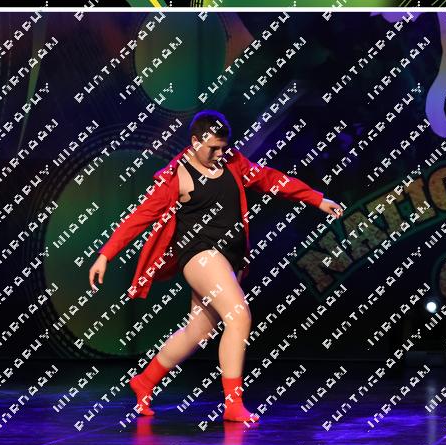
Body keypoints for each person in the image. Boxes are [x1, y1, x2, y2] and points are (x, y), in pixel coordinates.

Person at [88, 110, 343, 424]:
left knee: (198, 331)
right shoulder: (177, 176)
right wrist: (106, 254)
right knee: (239, 317)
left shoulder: (232, 162)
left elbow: (269, 179)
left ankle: (144, 381)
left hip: (230, 259)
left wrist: (315, 198)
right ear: (196, 142)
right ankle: (233, 405)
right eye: (213, 148)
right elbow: (140, 216)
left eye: (224, 148)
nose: (220, 154)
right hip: (200, 255)